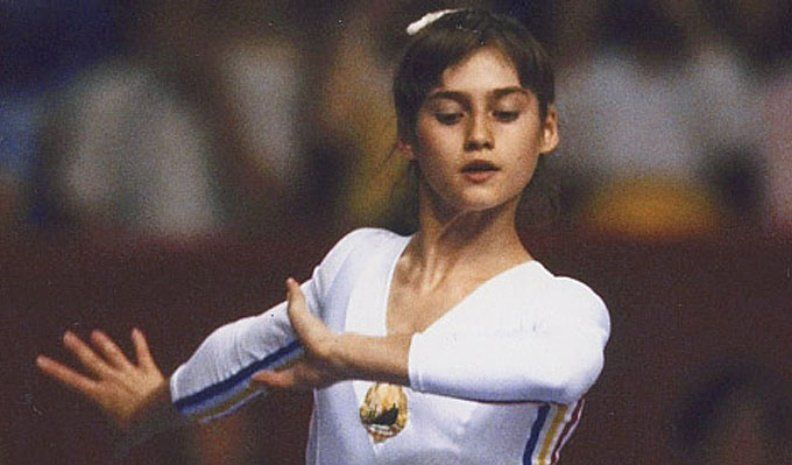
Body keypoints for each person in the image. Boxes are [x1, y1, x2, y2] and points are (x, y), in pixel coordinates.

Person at [36, 9, 610, 465]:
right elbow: (247, 347)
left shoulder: (560, 305)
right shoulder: (358, 262)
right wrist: (163, 401)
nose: (479, 136)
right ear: (408, 136)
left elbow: (558, 369)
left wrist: (350, 352)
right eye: (449, 114)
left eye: (506, 113)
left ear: (547, 130)